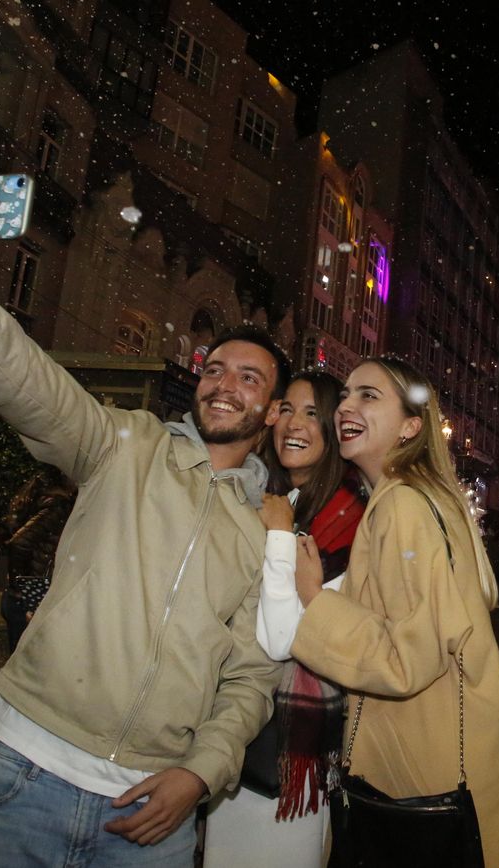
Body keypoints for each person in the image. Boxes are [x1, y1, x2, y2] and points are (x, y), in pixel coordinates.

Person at [0, 164, 285, 866]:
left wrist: (202, 774)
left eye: (248, 378)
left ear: (274, 412)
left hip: (154, 813)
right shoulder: (125, 444)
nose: (224, 384)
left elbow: (251, 675)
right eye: (214, 369)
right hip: (24, 778)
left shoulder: (267, 531)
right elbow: (33, 386)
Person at [288, 356, 499, 868]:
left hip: (419, 768)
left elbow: (407, 659)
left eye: (369, 395)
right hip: (438, 753)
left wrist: (314, 599)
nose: (346, 405)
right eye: (346, 394)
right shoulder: (415, 496)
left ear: (411, 427)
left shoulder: (403, 505)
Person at [204, 370, 365, 866]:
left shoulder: (347, 519)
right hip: (232, 720)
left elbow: (282, 639)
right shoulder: (267, 495)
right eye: (288, 409)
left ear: (333, 429)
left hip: (289, 744)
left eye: (313, 413)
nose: (295, 424)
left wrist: (277, 537)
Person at [0, 467, 76, 653]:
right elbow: (19, 544)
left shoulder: (39, 501)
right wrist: (26, 593)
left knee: (22, 662)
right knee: (30, 663)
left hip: (18, 600)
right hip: (28, 601)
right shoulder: (58, 505)